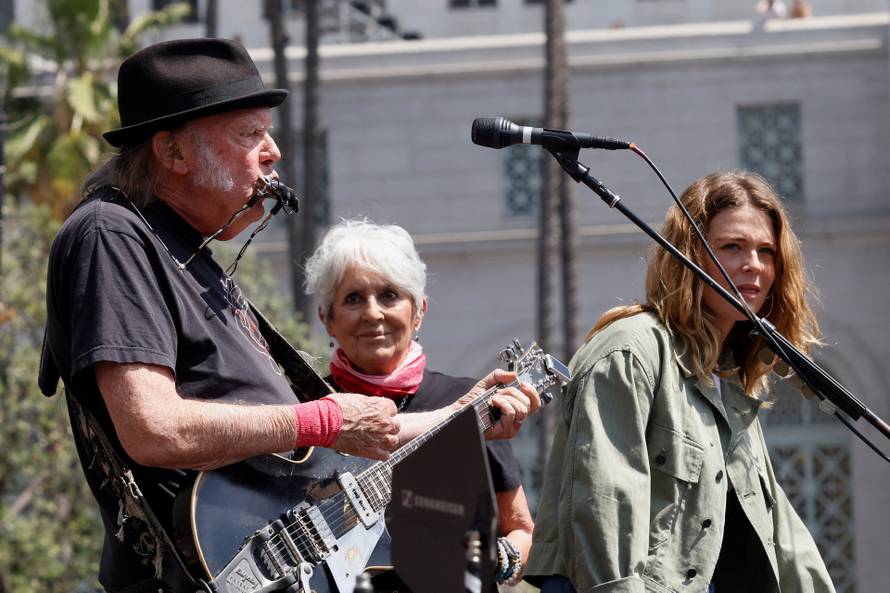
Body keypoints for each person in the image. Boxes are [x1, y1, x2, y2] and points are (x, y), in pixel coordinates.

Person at [38, 38, 539, 593]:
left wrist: (466, 417)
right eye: (251, 135)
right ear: (174, 154)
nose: (273, 151)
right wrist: (323, 421)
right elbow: (153, 428)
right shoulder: (113, 233)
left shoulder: (183, 252)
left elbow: (342, 440)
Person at [524, 171, 835, 593]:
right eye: (732, 247)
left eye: (767, 251)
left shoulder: (728, 377)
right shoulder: (630, 351)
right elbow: (604, 512)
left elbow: (779, 530)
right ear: (688, 253)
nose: (754, 265)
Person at [304, 219, 535, 588]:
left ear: (419, 311)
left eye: (390, 295)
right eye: (352, 299)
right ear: (327, 320)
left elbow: (521, 528)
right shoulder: (307, 410)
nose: (373, 313)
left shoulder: (471, 402)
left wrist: (501, 561)